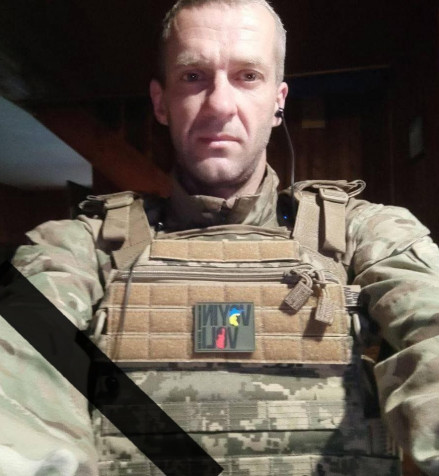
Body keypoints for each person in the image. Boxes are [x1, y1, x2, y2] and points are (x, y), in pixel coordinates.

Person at [1, 0, 439, 475]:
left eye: (248, 76)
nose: (219, 105)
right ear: (160, 102)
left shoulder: (364, 234)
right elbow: (16, 369)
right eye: (193, 76)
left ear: (278, 100)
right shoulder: (83, 247)